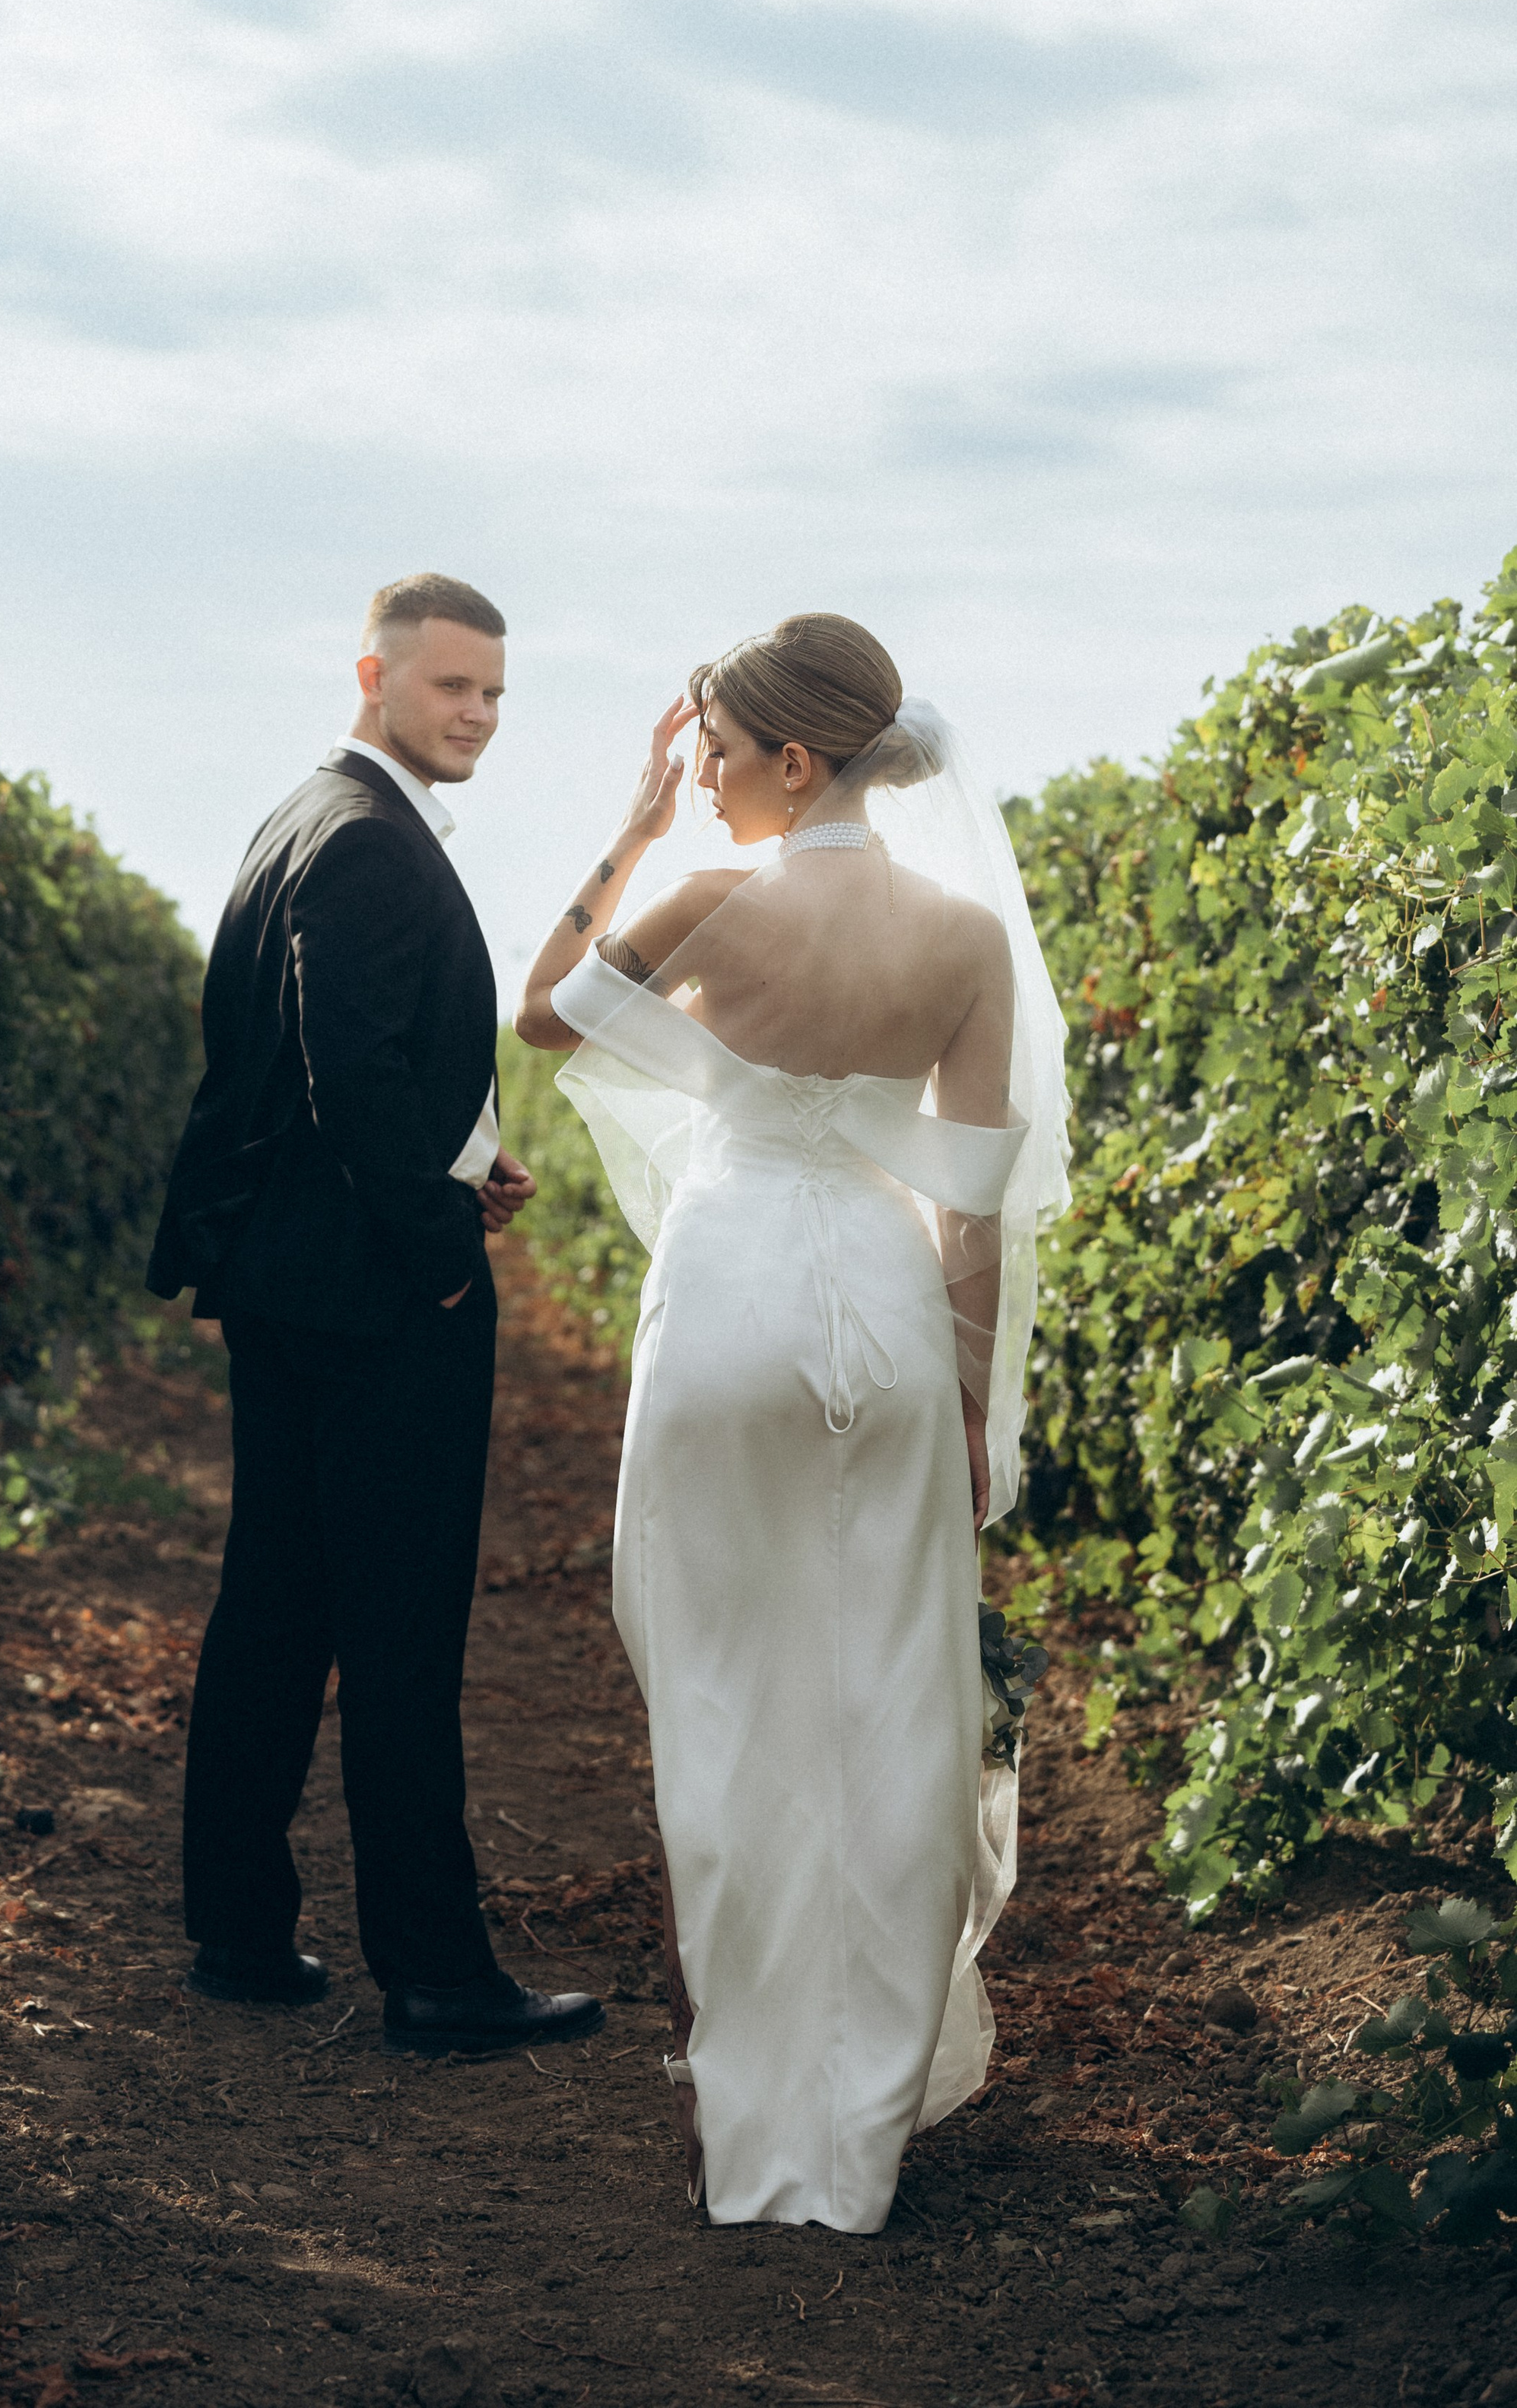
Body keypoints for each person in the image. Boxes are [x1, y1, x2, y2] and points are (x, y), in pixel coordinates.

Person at [515, 613, 1068, 2227]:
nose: (698, 777)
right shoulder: (963, 940)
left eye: (714, 749)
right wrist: (970, 1406)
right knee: (888, 1702)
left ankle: (752, 2104)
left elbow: (545, 1011)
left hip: (728, 1304)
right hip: (883, 1323)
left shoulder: (702, 899)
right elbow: (969, 1215)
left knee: (721, 1695)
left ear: (795, 758)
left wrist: (626, 834)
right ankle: (862, 2123)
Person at [148, 573, 605, 2057]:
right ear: (374, 673)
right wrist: (439, 1242)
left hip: (292, 1282)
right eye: (449, 687)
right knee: (400, 1630)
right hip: (368, 1296)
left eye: (491, 694)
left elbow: (323, 1068)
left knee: (274, 1599)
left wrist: (464, 1160)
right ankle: (433, 1974)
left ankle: (236, 1926)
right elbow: (341, 1071)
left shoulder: (305, 819)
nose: (474, 714)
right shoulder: (365, 840)